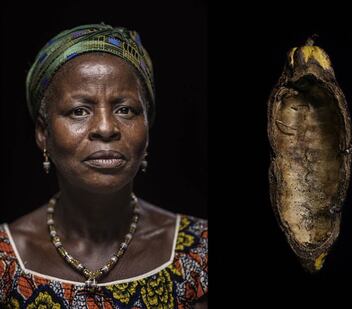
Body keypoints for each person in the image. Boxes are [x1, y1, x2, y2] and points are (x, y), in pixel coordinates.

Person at [0, 23, 207, 308]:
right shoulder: (5, 260)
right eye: (79, 111)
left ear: (148, 128)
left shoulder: (199, 252)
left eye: (125, 110)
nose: (106, 128)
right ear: (42, 133)